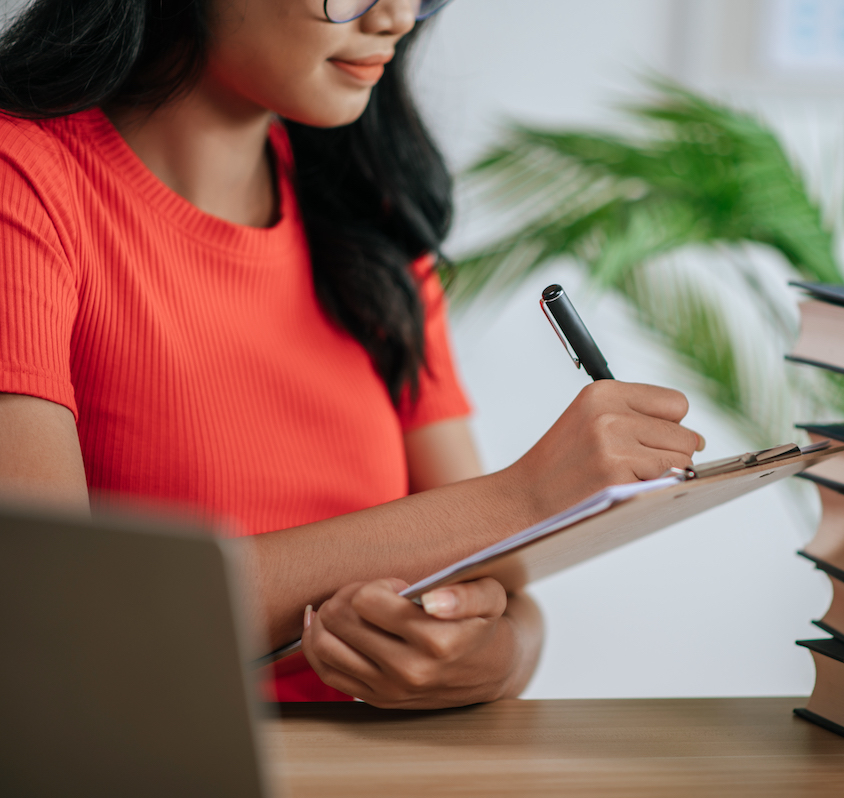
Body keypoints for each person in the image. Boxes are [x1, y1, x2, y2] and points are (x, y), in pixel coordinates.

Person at [0, 0, 702, 708]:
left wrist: (487, 658)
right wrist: (524, 496)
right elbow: (59, 618)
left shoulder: (370, 220)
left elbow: (507, 593)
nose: (397, 16)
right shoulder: (22, 181)